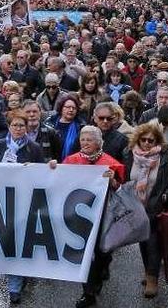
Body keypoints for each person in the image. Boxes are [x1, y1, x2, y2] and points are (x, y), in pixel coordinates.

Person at [47, 126, 125, 308]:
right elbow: (58, 179)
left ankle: (101, 270)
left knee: (101, 253)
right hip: (79, 217)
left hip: (104, 216)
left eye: (90, 139)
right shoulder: (71, 160)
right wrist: (52, 167)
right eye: (83, 139)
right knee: (85, 254)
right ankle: (88, 293)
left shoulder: (110, 163)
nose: (85, 143)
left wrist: (112, 180)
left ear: (98, 142)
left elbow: (120, 190)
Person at [0, 109, 44, 302]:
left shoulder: (34, 148)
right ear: (9, 127)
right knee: (7, 239)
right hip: (3, 199)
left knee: (20, 240)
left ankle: (15, 283)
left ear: (26, 127)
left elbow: (42, 173)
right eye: (15, 125)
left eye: (22, 125)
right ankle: (15, 273)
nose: (18, 129)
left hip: (25, 200)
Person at [122, 123, 168, 300]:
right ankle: (148, 271)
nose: (146, 143)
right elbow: (124, 177)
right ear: (138, 139)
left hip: (156, 206)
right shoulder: (129, 153)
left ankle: (152, 278)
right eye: (143, 139)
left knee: (153, 240)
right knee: (142, 240)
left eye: (151, 140)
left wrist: (165, 196)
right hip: (136, 206)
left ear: (157, 140)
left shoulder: (166, 155)